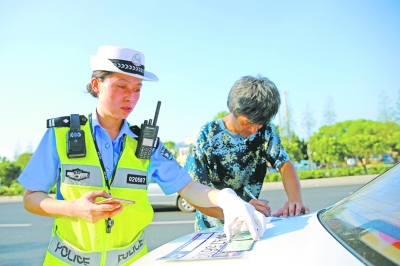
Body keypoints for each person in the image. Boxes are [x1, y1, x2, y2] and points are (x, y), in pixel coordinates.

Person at [17, 46, 268, 266]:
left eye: (137, 89)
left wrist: (226, 199)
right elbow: (31, 198)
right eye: (121, 86)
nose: (131, 97)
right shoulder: (61, 136)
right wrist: (73, 208)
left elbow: (189, 187)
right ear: (96, 85)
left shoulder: (146, 145)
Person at [184, 75, 310, 232]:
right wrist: (235, 213)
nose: (253, 131)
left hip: (252, 221)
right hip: (213, 227)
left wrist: (295, 201)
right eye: (248, 124)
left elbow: (284, 164)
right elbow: (191, 190)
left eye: (259, 125)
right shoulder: (206, 137)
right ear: (232, 109)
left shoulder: (266, 132)